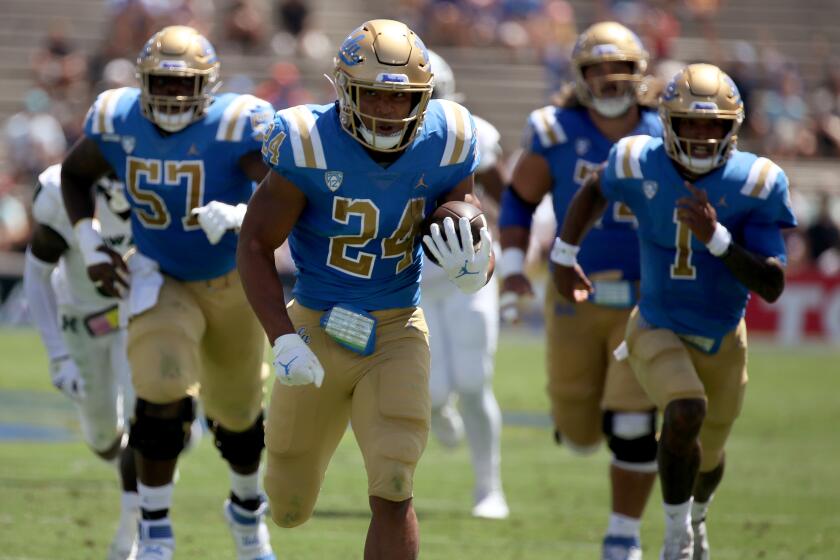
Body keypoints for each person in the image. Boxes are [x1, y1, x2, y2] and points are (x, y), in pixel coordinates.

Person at [236, 19, 493, 560]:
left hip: (398, 326)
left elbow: (465, 218)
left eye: (402, 100)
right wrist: (282, 337)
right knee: (287, 505)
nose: (388, 111)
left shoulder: (448, 139)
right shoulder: (307, 140)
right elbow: (256, 244)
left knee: (395, 484)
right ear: (345, 90)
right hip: (316, 324)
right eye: (374, 95)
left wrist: (476, 264)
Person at [553, 63, 796, 560]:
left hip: (724, 337)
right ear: (668, 123)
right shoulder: (636, 160)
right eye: (690, 123)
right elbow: (596, 187)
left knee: (709, 455)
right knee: (685, 410)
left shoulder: (758, 182)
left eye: (713, 125)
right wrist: (563, 254)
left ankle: (698, 519)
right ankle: (675, 539)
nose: (702, 135)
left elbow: (771, 284)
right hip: (656, 325)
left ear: (733, 128)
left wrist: (718, 238)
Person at [59, 25, 276, 560]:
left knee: (239, 415)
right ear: (143, 81)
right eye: (162, 83)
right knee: (158, 389)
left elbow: (286, 191)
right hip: (159, 272)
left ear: (209, 85)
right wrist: (88, 243)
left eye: (185, 85)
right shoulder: (120, 119)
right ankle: (155, 530)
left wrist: (245, 215)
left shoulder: (235, 125)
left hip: (232, 280)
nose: (174, 95)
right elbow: (74, 174)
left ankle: (246, 513)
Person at [499, 21, 661, 559]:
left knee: (632, 420)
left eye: (621, 70)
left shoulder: (668, 131)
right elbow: (519, 199)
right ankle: (588, 434)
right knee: (578, 427)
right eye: (598, 70)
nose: (610, 81)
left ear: (641, 74)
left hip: (647, 300)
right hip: (573, 297)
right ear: (580, 76)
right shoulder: (553, 129)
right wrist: (516, 264)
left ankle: (622, 536)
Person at [24, 164, 138, 560]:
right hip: (82, 322)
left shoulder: (170, 181)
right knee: (103, 438)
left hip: (138, 315)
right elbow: (36, 275)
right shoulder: (63, 193)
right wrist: (58, 357)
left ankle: (131, 534)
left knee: (147, 423)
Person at [420, 50, 509, 520]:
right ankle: (440, 408)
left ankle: (488, 487)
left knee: (474, 382)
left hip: (468, 277)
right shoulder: (372, 145)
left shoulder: (469, 135)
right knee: (430, 392)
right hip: (412, 279)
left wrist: (512, 258)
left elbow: (509, 200)